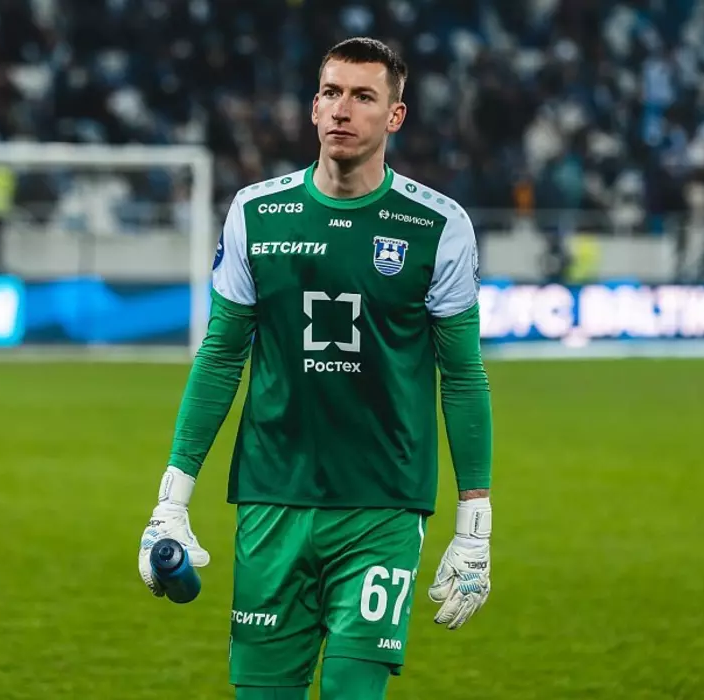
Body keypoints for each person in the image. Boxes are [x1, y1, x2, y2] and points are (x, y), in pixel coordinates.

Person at [138, 37, 493, 700]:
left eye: (363, 96)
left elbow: (464, 374)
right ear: (313, 106)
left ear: (395, 115)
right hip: (271, 499)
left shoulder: (438, 225)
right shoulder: (256, 212)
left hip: (383, 505)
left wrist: (475, 524)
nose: (342, 109)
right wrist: (170, 501)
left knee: (352, 690)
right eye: (331, 92)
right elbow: (221, 355)